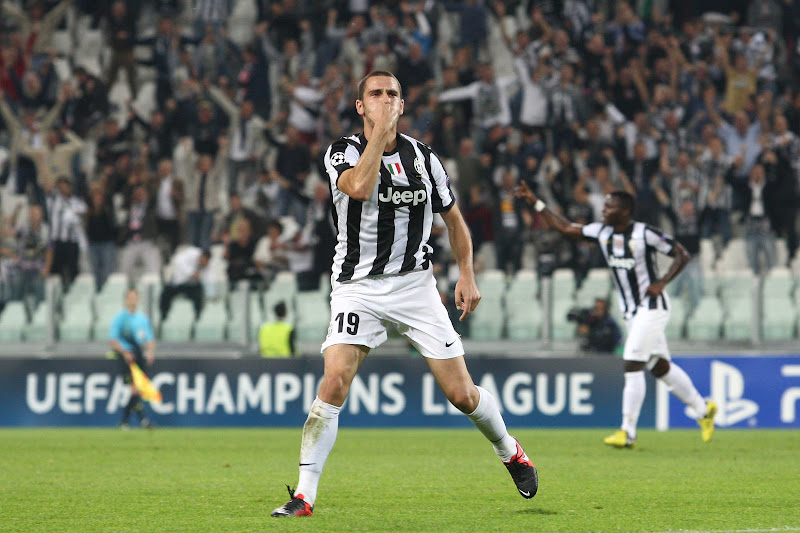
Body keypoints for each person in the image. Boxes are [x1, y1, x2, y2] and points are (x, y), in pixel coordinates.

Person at [271, 71, 538, 518]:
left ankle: (510, 451)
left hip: (415, 286)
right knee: (334, 380)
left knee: (462, 395)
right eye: (375, 94)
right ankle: (304, 496)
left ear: (403, 103)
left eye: (392, 94)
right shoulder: (342, 151)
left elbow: (455, 220)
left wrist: (467, 274)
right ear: (360, 106)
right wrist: (380, 133)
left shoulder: (425, 158)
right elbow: (358, 187)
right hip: (357, 286)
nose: (385, 100)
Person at [516, 182, 717, 448]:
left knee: (632, 361)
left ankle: (627, 431)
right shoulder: (602, 232)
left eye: (609, 206)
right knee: (659, 366)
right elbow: (565, 228)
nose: (603, 210)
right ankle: (703, 409)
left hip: (652, 307)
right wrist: (536, 203)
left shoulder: (645, 234)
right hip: (632, 313)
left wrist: (662, 282)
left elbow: (682, 254)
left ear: (624, 212)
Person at [109, 288, 156, 429]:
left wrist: (150, 352)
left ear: (138, 299)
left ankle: (133, 421)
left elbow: (149, 339)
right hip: (126, 357)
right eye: (130, 297)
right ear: (126, 300)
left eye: (135, 297)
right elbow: (113, 340)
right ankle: (134, 420)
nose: (132, 300)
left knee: (138, 389)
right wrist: (124, 352)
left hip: (139, 355)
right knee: (135, 389)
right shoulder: (120, 318)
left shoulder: (142, 319)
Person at [159, 247, 211, 322]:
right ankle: (163, 316)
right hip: (178, 282)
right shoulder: (192, 253)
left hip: (192, 285)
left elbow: (207, 278)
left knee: (199, 296)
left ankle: (197, 317)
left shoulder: (206, 265)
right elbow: (178, 260)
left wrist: (200, 276)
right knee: (165, 294)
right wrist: (191, 273)